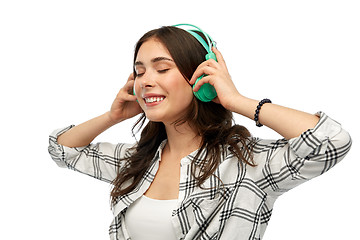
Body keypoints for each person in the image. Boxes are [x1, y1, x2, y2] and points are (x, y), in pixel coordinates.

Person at [48, 24, 352, 240]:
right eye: (140, 71)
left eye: (162, 69)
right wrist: (112, 116)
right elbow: (62, 149)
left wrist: (237, 101)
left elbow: (330, 141)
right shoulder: (135, 162)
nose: (145, 81)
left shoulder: (247, 164)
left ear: (201, 77)